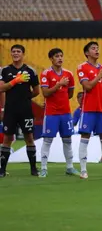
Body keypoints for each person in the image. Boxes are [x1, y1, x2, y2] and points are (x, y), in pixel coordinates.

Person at [77, 41, 102, 179]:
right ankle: (83, 170)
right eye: (93, 48)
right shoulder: (82, 67)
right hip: (88, 109)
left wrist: (101, 78)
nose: (96, 50)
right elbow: (87, 86)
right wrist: (98, 77)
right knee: (85, 137)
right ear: (87, 53)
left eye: (97, 48)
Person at [0, 44, 40, 177]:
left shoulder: (31, 71)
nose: (15, 53)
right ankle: (2, 170)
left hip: (26, 110)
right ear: (11, 54)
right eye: (13, 51)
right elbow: (1, 88)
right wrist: (16, 80)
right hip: (10, 110)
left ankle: (33, 169)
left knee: (29, 137)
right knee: (7, 138)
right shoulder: (4, 70)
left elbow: (36, 91)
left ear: (23, 54)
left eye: (18, 51)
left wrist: (25, 98)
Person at [39, 48, 79, 177]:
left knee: (67, 140)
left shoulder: (68, 74)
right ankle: (44, 168)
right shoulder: (46, 74)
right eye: (57, 56)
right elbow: (45, 93)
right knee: (47, 140)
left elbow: (70, 94)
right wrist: (58, 84)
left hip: (65, 113)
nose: (60, 58)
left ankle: (69, 167)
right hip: (51, 113)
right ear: (51, 58)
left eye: (61, 56)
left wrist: (59, 90)